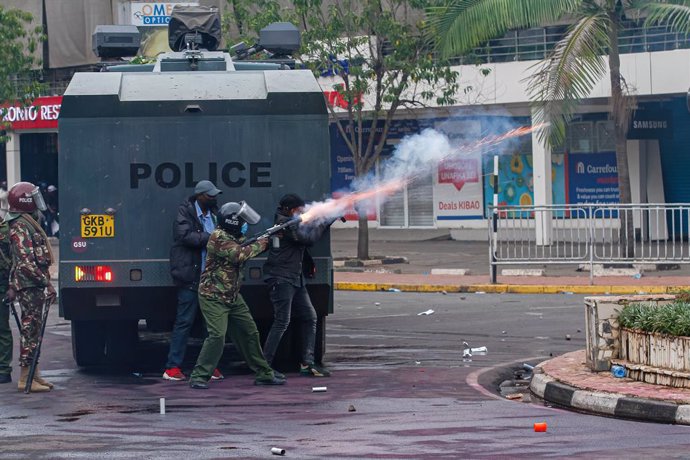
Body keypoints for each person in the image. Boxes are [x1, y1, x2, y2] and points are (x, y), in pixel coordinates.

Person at [189, 201, 285, 389]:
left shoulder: (235, 235)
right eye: (241, 221)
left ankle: (264, 373)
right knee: (217, 336)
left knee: (250, 333)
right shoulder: (219, 237)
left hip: (232, 295)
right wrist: (264, 242)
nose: (244, 224)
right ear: (232, 222)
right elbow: (239, 255)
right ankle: (199, 376)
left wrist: (269, 236)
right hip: (213, 296)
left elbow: (247, 245)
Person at [262, 193, 331, 377]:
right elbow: (307, 238)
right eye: (298, 209)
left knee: (310, 317)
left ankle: (307, 363)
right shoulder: (286, 225)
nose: (301, 212)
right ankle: (264, 367)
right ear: (289, 209)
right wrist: (325, 221)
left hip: (295, 278)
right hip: (281, 278)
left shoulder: (289, 221)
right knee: (282, 322)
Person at [163, 180, 224, 382]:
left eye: (215, 195)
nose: (214, 198)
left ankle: (210, 366)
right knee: (184, 321)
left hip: (210, 277)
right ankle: (172, 367)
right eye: (210, 195)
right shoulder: (185, 212)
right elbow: (185, 236)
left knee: (211, 325)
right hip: (191, 276)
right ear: (199, 195)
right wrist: (212, 237)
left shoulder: (214, 214)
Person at [5, 182, 56, 392]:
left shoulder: (27, 222)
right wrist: (47, 283)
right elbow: (25, 263)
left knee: (34, 331)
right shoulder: (20, 226)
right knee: (29, 330)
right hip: (29, 286)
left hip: (33, 285)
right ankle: (26, 378)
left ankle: (34, 374)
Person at [0, 217, 13, 384]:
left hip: (2, 286)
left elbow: (14, 260)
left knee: (2, 329)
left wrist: (12, 286)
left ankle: (3, 369)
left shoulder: (5, 231)